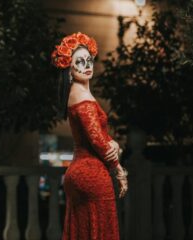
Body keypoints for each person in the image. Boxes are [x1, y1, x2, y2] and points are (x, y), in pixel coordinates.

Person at [51, 32, 128, 240]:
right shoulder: (81, 95)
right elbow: (97, 140)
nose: (87, 65)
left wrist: (112, 143)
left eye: (89, 60)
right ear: (69, 68)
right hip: (91, 174)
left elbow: (95, 135)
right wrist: (118, 169)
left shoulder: (76, 93)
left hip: (77, 173)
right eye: (80, 61)